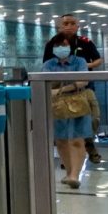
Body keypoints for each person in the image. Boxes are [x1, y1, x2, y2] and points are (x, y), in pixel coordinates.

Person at [42, 14, 104, 163]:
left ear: (78, 26)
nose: (68, 26)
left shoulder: (85, 42)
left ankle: (89, 143)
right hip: (61, 90)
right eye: (65, 23)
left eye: (72, 23)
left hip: (84, 87)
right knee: (66, 123)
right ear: (59, 26)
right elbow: (46, 66)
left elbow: (98, 60)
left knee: (93, 119)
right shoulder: (53, 44)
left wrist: (82, 67)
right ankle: (70, 159)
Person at [43, 35, 92, 189]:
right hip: (57, 105)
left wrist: (62, 89)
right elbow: (45, 83)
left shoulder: (80, 62)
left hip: (78, 102)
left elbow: (83, 81)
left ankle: (75, 175)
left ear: (70, 46)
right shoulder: (49, 64)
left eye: (63, 45)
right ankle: (69, 172)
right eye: (57, 45)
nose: (60, 48)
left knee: (78, 139)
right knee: (61, 140)